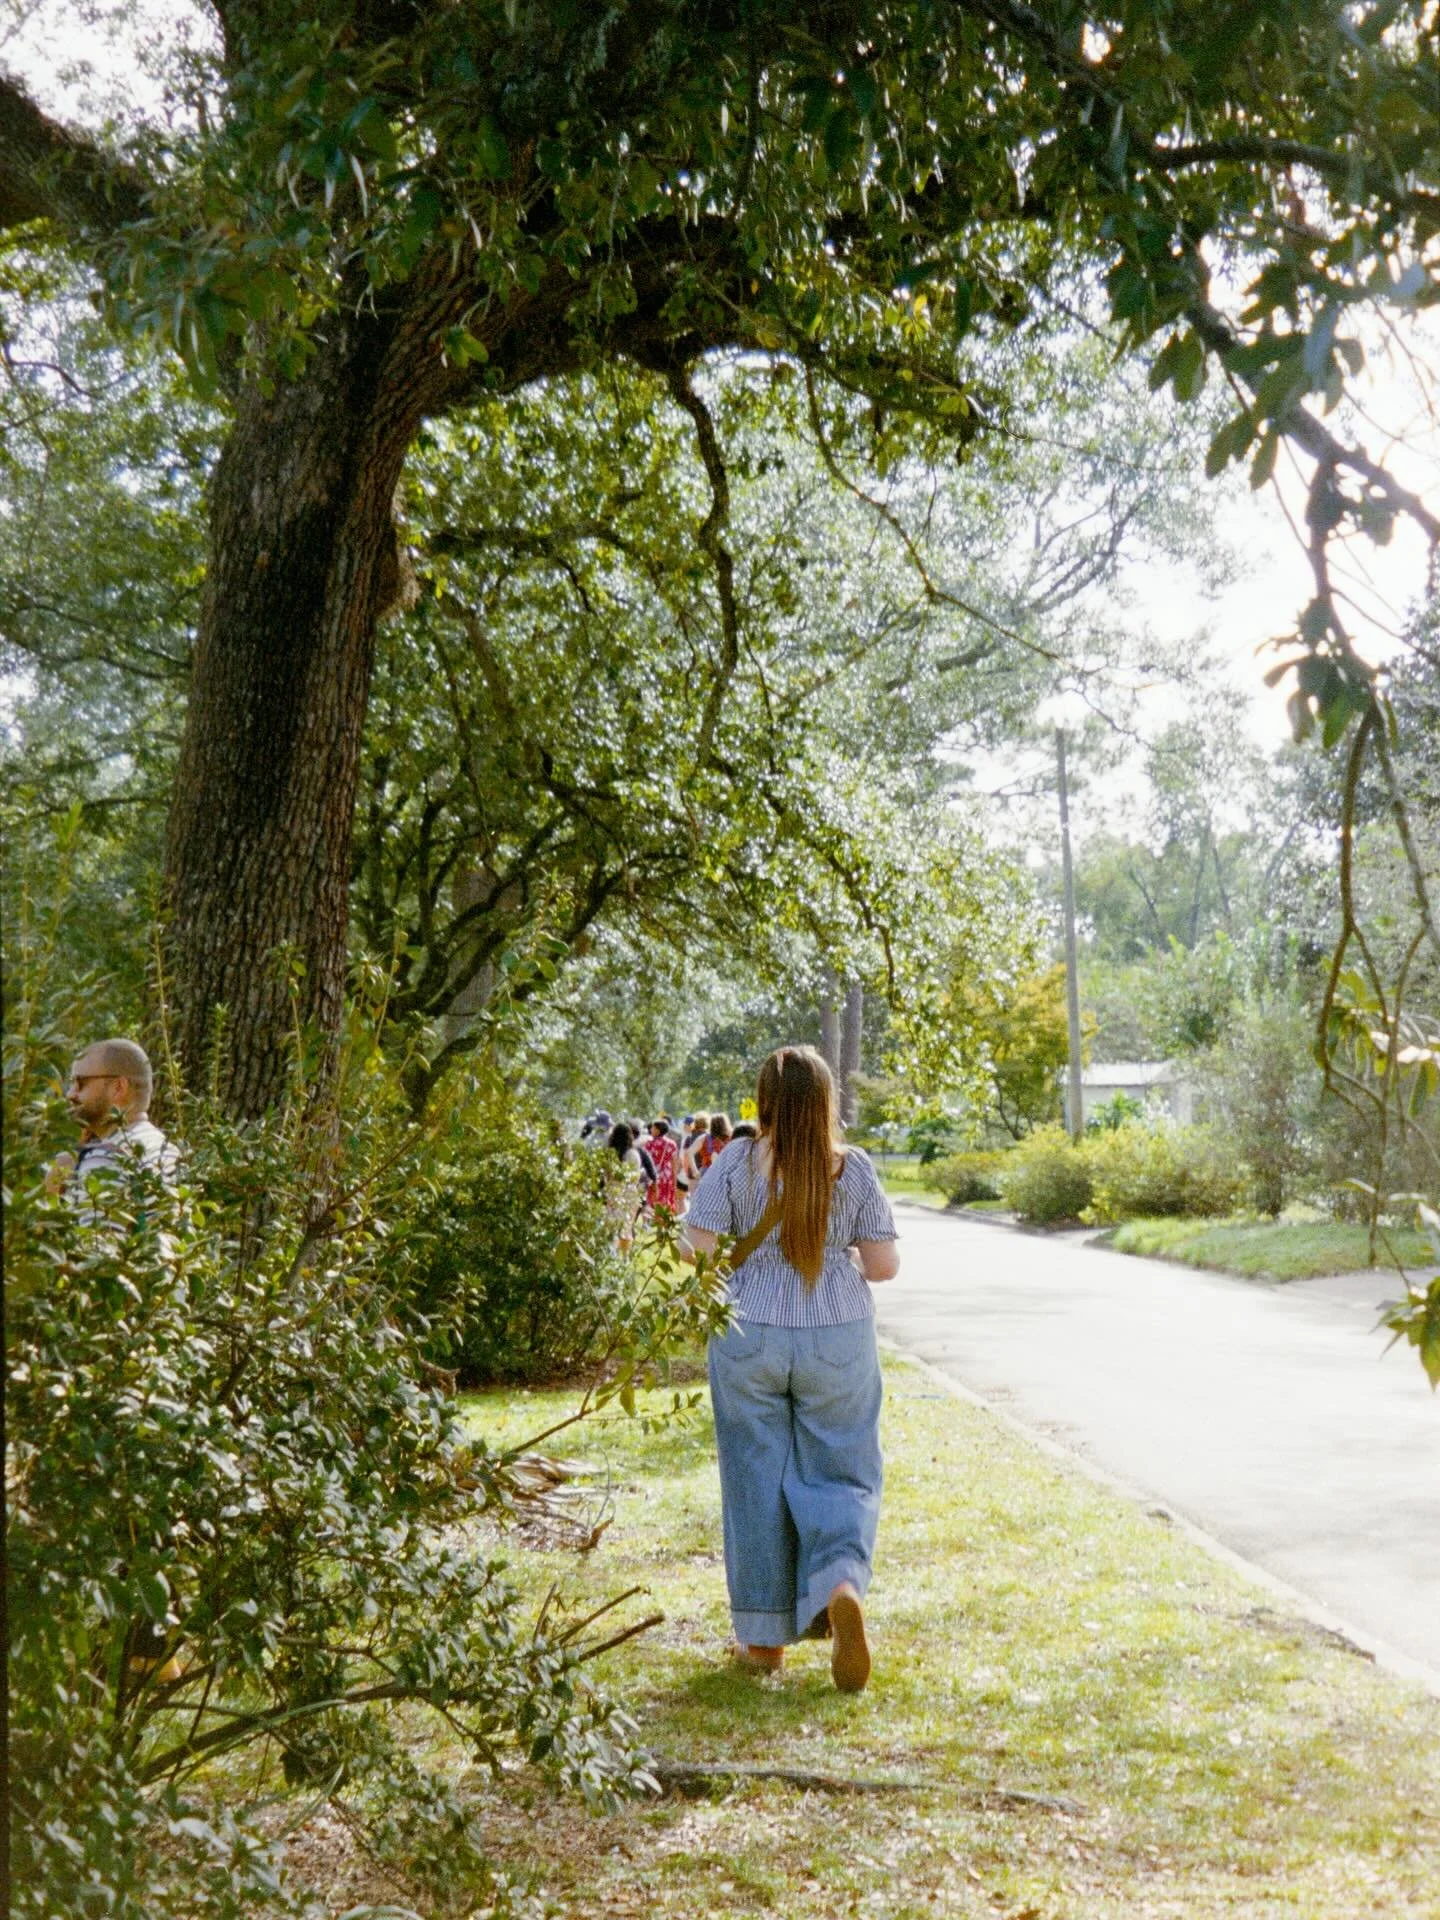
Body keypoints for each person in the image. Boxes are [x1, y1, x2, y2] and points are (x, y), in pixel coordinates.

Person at [682, 1046, 899, 1692]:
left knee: (754, 1478)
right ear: (826, 1100)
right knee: (843, 1466)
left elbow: (698, 1247)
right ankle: (840, 1585)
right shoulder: (852, 1168)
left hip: (748, 1330)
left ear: (765, 1100)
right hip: (837, 1332)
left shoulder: (735, 1162)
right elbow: (884, 1265)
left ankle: (764, 1643)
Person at [50, 1037, 179, 1207]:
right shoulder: (167, 1149)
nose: (70, 1094)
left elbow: (95, 1226)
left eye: (80, 1083)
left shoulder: (105, 1160)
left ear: (119, 1087)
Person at [645, 1118, 680, 1215]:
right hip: (666, 1177)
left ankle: (647, 1221)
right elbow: (674, 1165)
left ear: (658, 1130)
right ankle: (660, 1220)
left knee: (650, 1200)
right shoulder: (671, 1144)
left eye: (653, 1128)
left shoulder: (649, 1143)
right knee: (663, 1203)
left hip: (652, 1176)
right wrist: (675, 1183)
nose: (651, 1129)